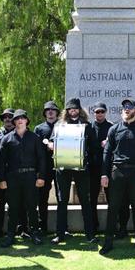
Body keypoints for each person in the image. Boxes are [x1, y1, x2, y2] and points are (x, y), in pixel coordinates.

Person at [99, 98, 135, 255]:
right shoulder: (114, 129)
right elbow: (107, 153)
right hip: (117, 172)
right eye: (124, 107)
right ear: (122, 111)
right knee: (113, 207)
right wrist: (104, 174)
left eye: (130, 107)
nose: (126, 109)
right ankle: (108, 242)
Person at [49, 98, 99, 245]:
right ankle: (60, 234)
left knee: (85, 200)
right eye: (70, 109)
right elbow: (52, 141)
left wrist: (86, 157)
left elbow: (94, 147)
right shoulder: (59, 125)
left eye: (75, 109)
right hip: (63, 168)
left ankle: (90, 234)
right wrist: (51, 145)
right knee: (62, 201)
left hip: (81, 168)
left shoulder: (86, 126)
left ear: (79, 110)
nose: (73, 111)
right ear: (67, 111)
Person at [0, 110, 46, 247]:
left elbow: (41, 159)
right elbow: (1, 162)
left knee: (32, 206)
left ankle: (35, 234)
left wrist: (41, 176)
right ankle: (10, 236)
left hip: (30, 177)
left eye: (22, 118)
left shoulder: (34, 138)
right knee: (13, 208)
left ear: (26, 121)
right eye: (17, 119)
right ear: (13, 122)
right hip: (12, 177)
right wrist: (2, 179)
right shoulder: (6, 139)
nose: (20, 120)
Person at [33, 101, 60, 235]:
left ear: (57, 113)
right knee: (42, 197)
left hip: (60, 166)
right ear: (45, 113)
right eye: (48, 110)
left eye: (53, 110)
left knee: (61, 198)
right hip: (44, 168)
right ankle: (42, 226)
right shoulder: (39, 128)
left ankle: (62, 228)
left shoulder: (63, 126)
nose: (50, 112)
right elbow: (35, 149)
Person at [89, 102, 113, 233]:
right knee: (92, 198)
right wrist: (100, 145)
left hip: (108, 167)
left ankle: (112, 226)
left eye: (102, 112)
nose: (99, 114)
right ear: (94, 113)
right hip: (93, 167)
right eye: (97, 112)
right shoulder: (89, 127)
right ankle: (93, 226)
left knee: (111, 198)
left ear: (105, 112)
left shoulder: (111, 128)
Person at [0, 108, 15, 238]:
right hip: (0, 173)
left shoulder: (19, 133)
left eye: (10, 117)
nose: (7, 119)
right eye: (5, 117)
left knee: (17, 203)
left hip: (15, 173)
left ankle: (19, 228)